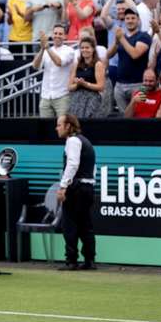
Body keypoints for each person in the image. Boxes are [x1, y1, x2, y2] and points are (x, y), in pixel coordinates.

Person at [55, 114, 96, 271]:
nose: (56, 128)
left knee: (70, 225)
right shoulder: (85, 141)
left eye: (59, 124)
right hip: (88, 188)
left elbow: (72, 164)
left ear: (68, 126)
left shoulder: (72, 141)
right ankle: (90, 260)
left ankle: (71, 261)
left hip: (76, 189)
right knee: (86, 226)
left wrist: (63, 186)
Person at [109, 8, 151, 113]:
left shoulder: (143, 36)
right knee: (124, 118)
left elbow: (135, 54)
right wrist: (116, 41)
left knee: (139, 115)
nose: (130, 20)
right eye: (127, 18)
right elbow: (108, 55)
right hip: (119, 85)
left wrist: (122, 39)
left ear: (138, 20)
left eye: (133, 18)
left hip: (138, 84)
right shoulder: (122, 37)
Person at [32, 26, 74, 118]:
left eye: (60, 34)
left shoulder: (69, 50)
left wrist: (47, 48)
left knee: (63, 126)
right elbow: (35, 65)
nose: (57, 36)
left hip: (62, 96)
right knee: (45, 128)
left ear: (65, 36)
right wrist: (42, 49)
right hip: (46, 96)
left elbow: (59, 62)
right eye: (55, 33)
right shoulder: (46, 50)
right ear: (52, 35)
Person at [67, 38, 106, 119]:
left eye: (87, 47)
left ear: (93, 49)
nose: (84, 50)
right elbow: (70, 87)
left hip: (92, 100)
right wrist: (78, 84)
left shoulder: (98, 64)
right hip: (76, 100)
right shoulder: (76, 64)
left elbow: (101, 87)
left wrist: (86, 84)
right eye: (82, 48)